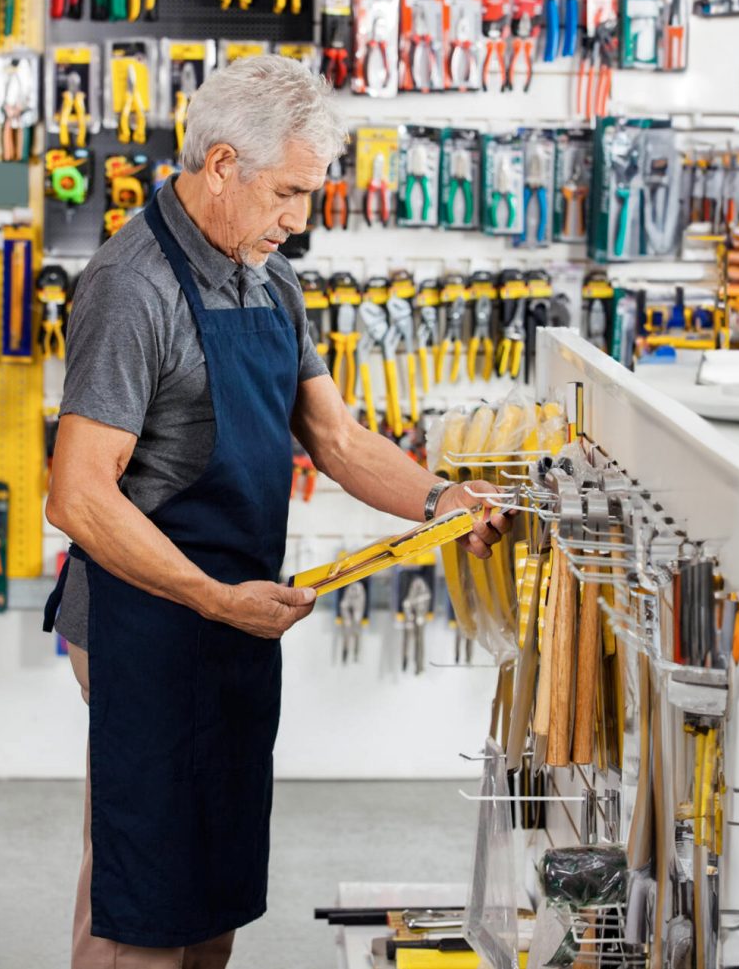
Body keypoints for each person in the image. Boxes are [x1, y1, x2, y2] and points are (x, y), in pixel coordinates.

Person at [43, 55, 510, 969]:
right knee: (143, 888)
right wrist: (211, 600)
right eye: (289, 192)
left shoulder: (269, 279)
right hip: (151, 622)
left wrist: (440, 497)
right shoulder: (131, 286)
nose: (299, 220)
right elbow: (78, 494)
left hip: (236, 617)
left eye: (312, 193)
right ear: (222, 165)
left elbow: (335, 437)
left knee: (214, 875)